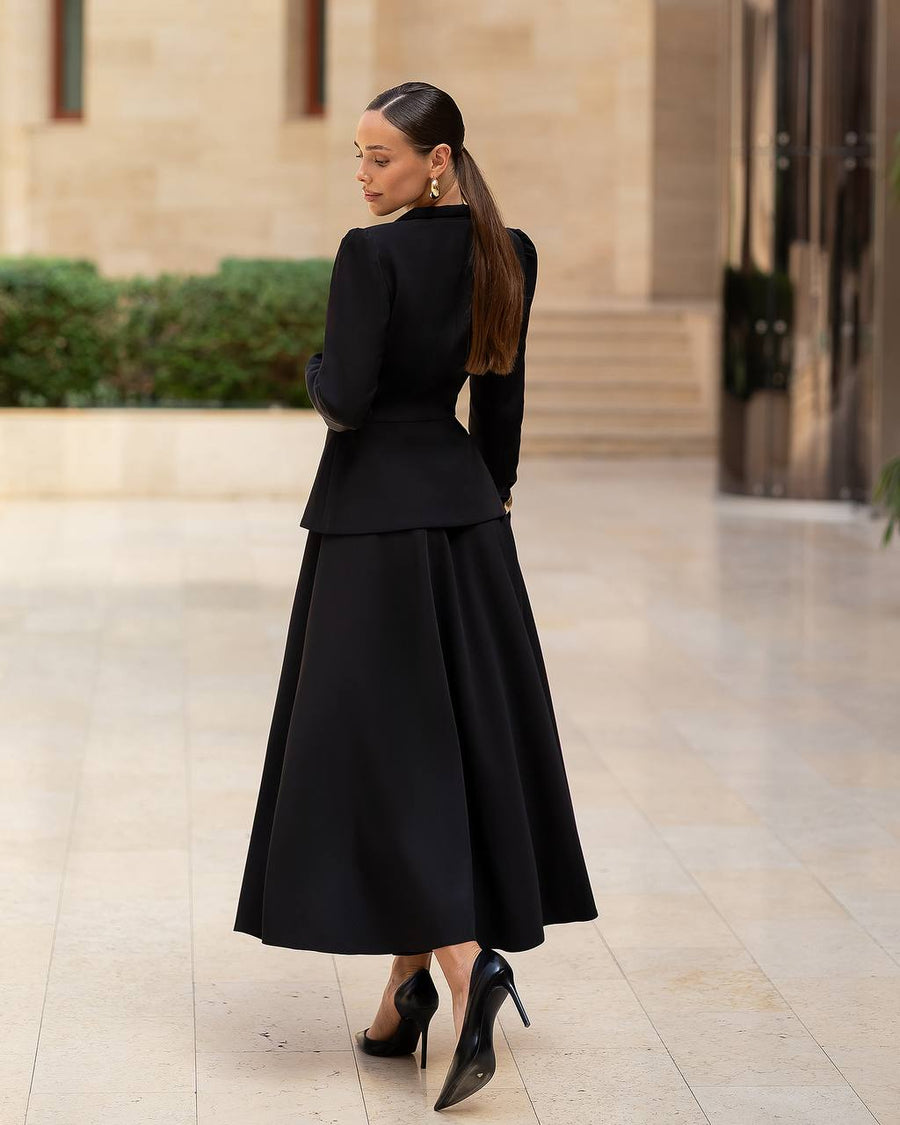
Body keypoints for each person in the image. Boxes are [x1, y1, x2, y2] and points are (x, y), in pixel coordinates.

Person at [233, 80, 598, 1111]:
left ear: (435, 159)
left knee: (383, 751)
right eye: (357, 156)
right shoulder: (507, 249)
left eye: (380, 157)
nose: (362, 174)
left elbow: (344, 397)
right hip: (467, 515)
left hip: (369, 527)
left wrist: (314, 368)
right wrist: (492, 496)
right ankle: (403, 1002)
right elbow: (504, 396)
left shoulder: (371, 255)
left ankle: (465, 962)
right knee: (442, 746)